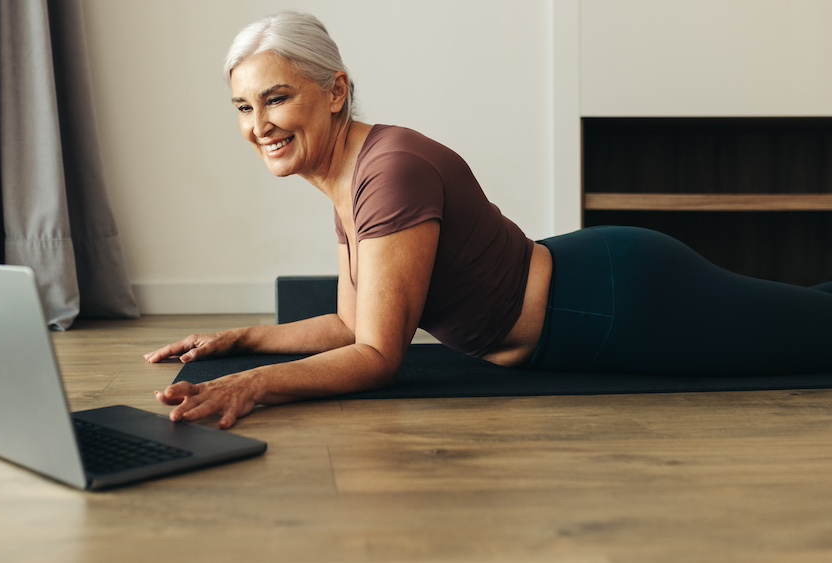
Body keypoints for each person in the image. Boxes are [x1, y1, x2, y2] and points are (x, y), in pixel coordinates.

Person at [145, 11, 832, 429]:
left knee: (816, 333)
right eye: (243, 107)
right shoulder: (348, 174)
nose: (258, 124)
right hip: (592, 293)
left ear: (335, 91)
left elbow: (379, 357)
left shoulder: (389, 171)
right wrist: (244, 339)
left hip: (624, 299)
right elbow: (357, 324)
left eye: (276, 98)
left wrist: (251, 384)